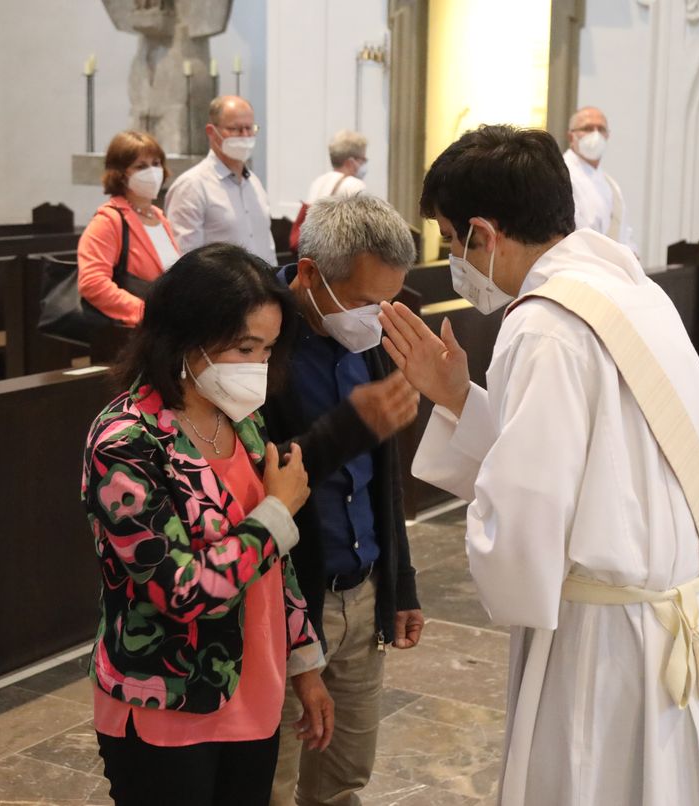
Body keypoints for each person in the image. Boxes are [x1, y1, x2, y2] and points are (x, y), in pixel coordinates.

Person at [378, 125, 699, 805]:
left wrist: (497, 543)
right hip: (680, 620)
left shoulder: (544, 323)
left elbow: (529, 513)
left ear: (484, 234)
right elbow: (593, 462)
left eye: (451, 241)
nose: (454, 260)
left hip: (607, 651)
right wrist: (459, 395)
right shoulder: (632, 290)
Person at [84, 243, 334, 805]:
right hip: (169, 698)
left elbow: (277, 562)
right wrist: (277, 511)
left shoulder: (239, 422)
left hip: (255, 688)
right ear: (186, 336)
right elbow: (181, 589)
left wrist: (305, 665)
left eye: (267, 350)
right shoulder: (126, 443)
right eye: (244, 347)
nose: (257, 367)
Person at [266, 195, 423, 806]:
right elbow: (255, 481)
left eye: (388, 302)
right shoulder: (257, 343)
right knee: (272, 784)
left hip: (361, 591)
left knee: (343, 780)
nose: (375, 318)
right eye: (363, 301)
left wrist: (399, 581)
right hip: (290, 599)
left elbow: (383, 475)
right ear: (310, 275)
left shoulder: (371, 341)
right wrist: (347, 428)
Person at [77, 130, 180, 326]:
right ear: (121, 174)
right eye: (141, 166)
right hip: (135, 330)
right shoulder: (108, 220)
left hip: (167, 326)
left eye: (156, 164)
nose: (152, 172)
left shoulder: (158, 216)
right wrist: (145, 313)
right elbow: (93, 283)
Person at [165, 95, 277, 263]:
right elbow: (185, 260)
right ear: (212, 132)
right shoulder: (192, 185)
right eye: (236, 129)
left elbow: (266, 246)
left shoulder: (254, 182)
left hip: (262, 286)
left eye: (249, 128)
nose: (245, 136)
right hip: (220, 288)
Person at [564, 106, 637, 253]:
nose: (595, 135)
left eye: (601, 129)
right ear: (571, 136)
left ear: (607, 136)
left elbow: (623, 233)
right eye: (588, 128)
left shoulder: (611, 185)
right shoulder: (561, 175)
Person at [306, 130, 369, 203]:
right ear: (351, 162)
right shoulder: (355, 185)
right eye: (363, 159)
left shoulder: (318, 181)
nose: (364, 163)